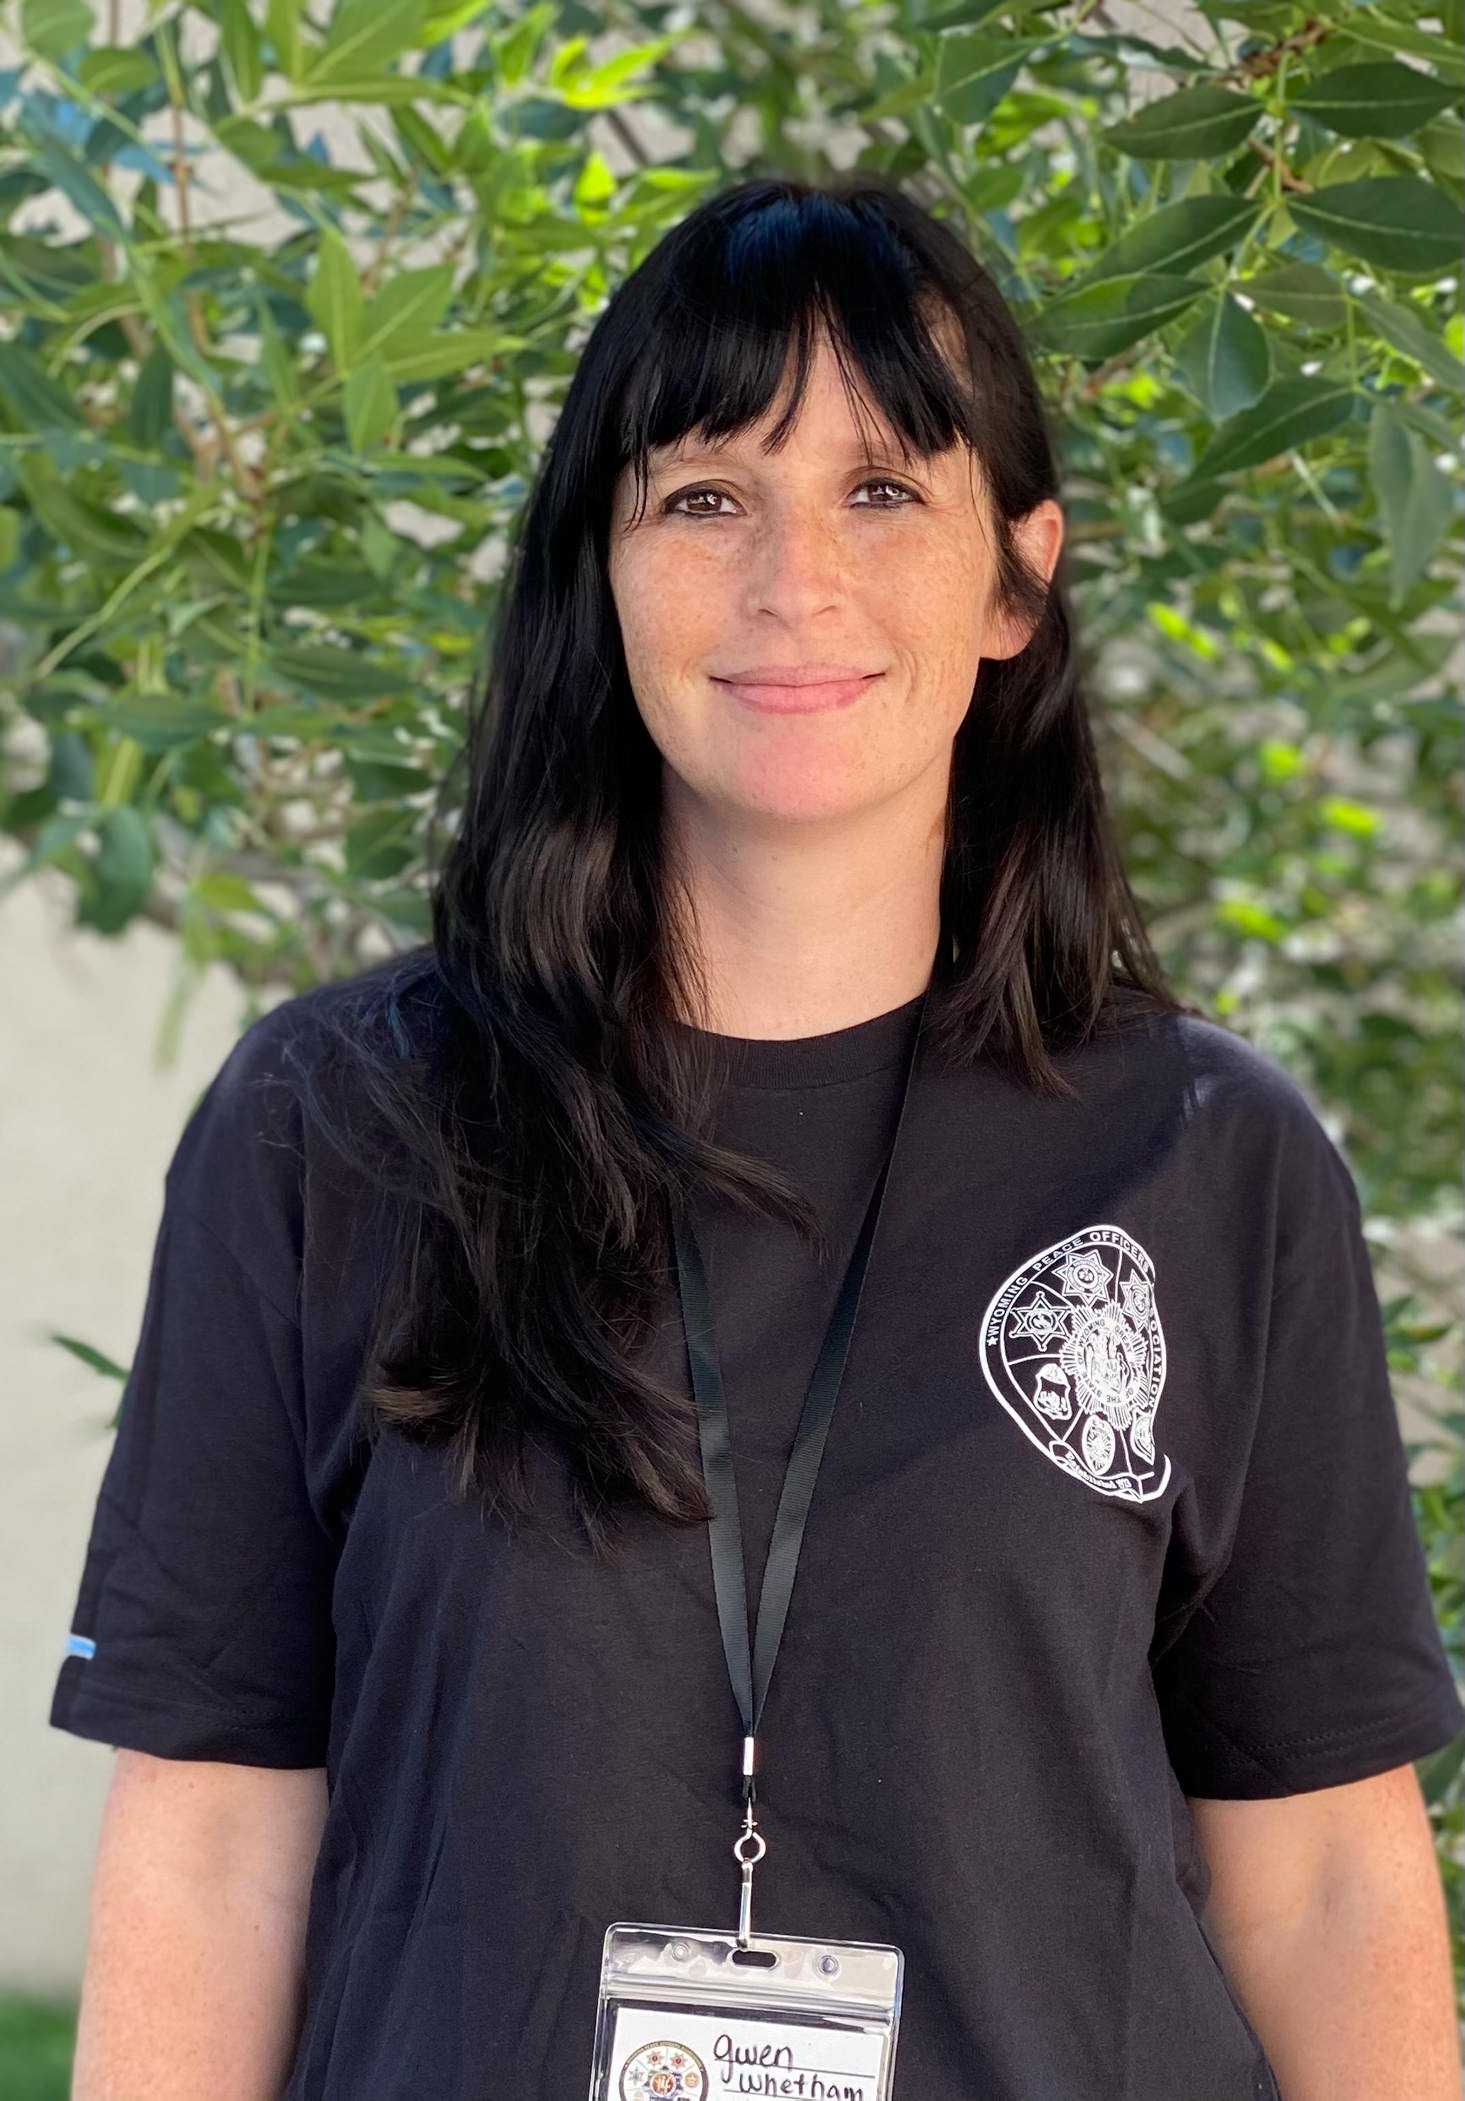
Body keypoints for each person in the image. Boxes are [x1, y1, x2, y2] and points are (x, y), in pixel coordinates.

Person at [50, 175, 1463, 2101]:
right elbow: (213, 1842)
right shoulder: (333, 1128)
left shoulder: (1211, 1160)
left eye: (881, 488)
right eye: (707, 496)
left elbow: (1322, 1877)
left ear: (1015, 578)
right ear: (603, 567)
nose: (793, 579)